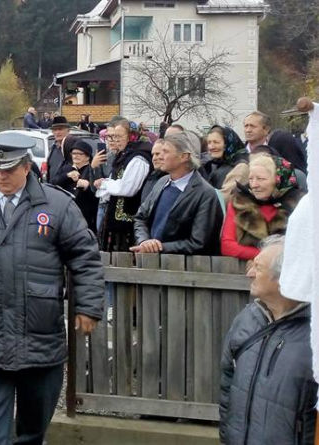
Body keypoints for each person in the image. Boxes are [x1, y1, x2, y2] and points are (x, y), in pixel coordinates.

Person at [0, 131, 104, 445]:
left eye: (10, 168)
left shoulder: (57, 206)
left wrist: (88, 306)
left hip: (41, 338)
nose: (1, 175)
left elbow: (85, 257)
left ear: (27, 167)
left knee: (33, 429)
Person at [220, 235, 316, 444]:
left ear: (285, 277)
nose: (249, 273)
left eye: (258, 268)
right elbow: (228, 381)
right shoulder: (246, 319)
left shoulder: (314, 332)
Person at [132, 131, 223, 255]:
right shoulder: (161, 183)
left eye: (166, 151)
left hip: (186, 269)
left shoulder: (205, 194)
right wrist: (144, 241)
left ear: (184, 156)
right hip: (151, 263)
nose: (160, 156)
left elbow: (198, 242)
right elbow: (140, 217)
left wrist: (159, 247)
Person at [221, 155, 304, 261]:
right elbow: (227, 246)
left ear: (278, 180)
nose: (254, 185)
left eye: (261, 179)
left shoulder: (298, 205)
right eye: (251, 179)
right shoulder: (240, 203)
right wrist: (267, 256)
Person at [96, 120, 153, 251]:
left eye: (119, 136)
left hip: (127, 223)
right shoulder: (125, 155)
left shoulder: (139, 158)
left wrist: (105, 184)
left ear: (132, 136)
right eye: (113, 136)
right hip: (116, 221)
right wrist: (104, 184)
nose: (115, 140)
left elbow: (128, 188)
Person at [53, 139, 99, 233]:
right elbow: (53, 183)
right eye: (73, 153)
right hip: (65, 213)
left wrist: (88, 186)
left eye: (79, 153)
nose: (75, 156)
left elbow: (98, 192)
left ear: (87, 157)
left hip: (85, 215)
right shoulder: (66, 168)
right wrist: (67, 176)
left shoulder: (93, 170)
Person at [203, 125, 249, 201]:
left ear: (228, 143)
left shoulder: (241, 166)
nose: (211, 147)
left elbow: (224, 199)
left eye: (216, 142)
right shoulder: (215, 163)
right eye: (209, 142)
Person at [45, 116, 76, 183]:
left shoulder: (74, 148)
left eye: (60, 129)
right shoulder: (52, 148)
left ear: (68, 130)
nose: (57, 132)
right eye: (55, 130)